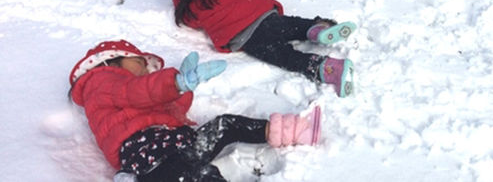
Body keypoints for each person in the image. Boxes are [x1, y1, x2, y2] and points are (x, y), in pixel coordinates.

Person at [69, 39, 321, 182]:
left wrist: (182, 86)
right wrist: (174, 83)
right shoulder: (101, 82)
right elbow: (138, 91)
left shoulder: (134, 89)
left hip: (178, 145)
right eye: (139, 63)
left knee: (225, 124)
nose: (146, 69)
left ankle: (291, 130)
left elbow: (172, 107)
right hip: (151, 157)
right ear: (111, 60)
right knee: (198, 176)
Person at [164, 0, 356, 98]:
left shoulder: (191, 8)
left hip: (247, 37)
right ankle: (318, 30)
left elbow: (189, 22)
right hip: (263, 14)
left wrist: (179, 0)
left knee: (286, 56)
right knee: (291, 25)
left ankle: (329, 68)